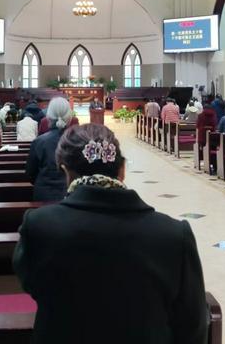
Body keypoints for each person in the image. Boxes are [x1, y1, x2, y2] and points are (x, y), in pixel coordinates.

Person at [13, 123, 208, 344]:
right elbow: (193, 324)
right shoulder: (173, 234)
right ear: (122, 170)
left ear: (65, 172)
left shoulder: (39, 226)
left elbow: (31, 283)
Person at [25, 97, 74, 202]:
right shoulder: (78, 141)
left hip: (44, 195)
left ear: (49, 117)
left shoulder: (39, 141)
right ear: (69, 117)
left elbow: (30, 174)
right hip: (71, 195)